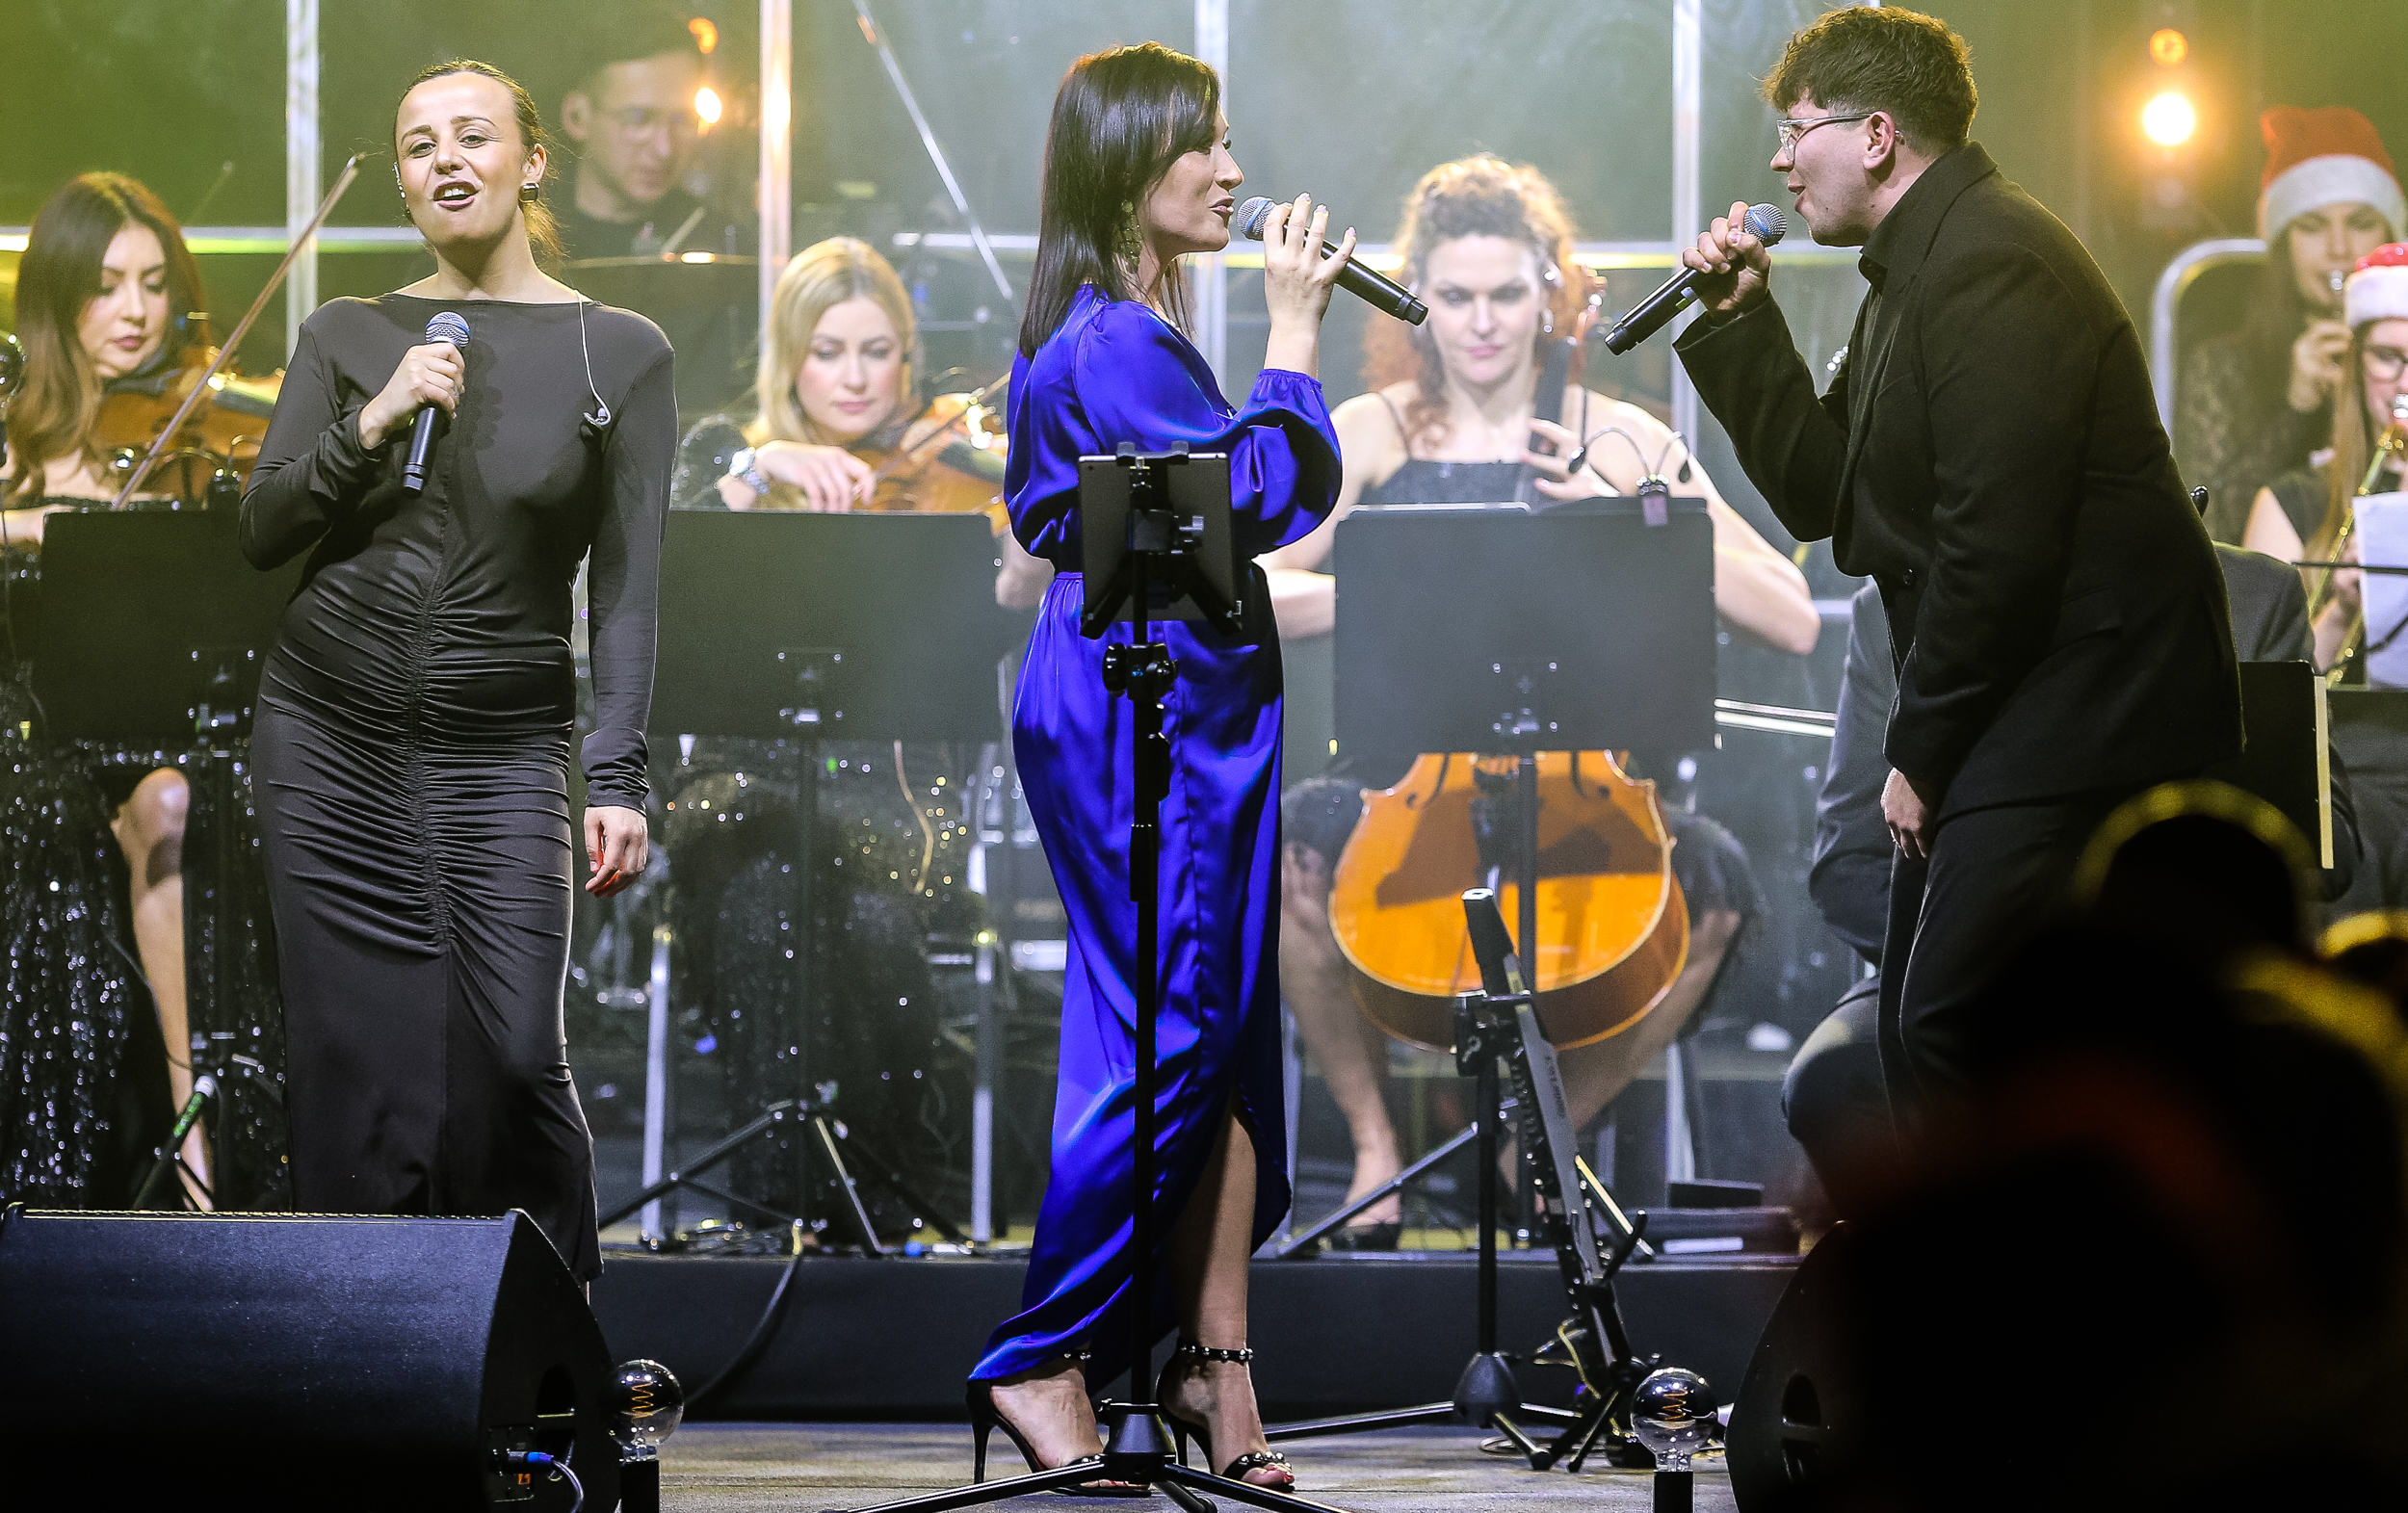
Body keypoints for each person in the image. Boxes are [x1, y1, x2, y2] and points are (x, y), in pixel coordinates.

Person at [1674, 6, 2241, 1125]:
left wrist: (1920, 754)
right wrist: (1740, 324)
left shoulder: (1991, 262)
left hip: (2086, 711)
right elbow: (1824, 494)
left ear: (1876, 135)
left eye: (1796, 131)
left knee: (1946, 1022)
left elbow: (1998, 548)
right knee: (1913, 1021)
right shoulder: (1916, 268)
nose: (1780, 164)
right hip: (2026, 703)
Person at [1253, 154, 1820, 1240]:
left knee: (1714, 888)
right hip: (1406, 785)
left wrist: (1632, 506)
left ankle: (1536, 1143)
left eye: (1506, 294)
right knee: (1290, 857)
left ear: (1548, 293)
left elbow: (1791, 614)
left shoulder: (1621, 435)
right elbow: (1255, 591)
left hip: (1581, 788)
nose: (1480, 323)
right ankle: (1375, 1144)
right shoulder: (1371, 431)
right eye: (1455, 296)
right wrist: (1382, 590)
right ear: (1419, 298)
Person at [966, 41, 1349, 1492]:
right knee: (1169, 1029)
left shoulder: (1107, 326)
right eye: (1207, 146)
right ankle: (1044, 1349)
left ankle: (1214, 1366)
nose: (1235, 174)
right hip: (1152, 718)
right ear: (1132, 163)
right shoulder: (1114, 339)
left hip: (1181, 702)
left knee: (1222, 1028)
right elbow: (1256, 491)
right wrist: (1294, 336)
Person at [241, 60, 673, 1283]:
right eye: (418, 143)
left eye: (471, 136)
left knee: (516, 1056)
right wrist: (372, 421)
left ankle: (544, 1356)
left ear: (530, 162)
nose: (444, 159)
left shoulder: (618, 351)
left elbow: (630, 585)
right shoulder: (347, 332)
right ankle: (365, 1350)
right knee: (354, 1069)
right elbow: (263, 528)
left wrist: (616, 773)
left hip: (501, 749)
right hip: (327, 735)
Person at [1793, 537, 2367, 1214]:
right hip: (1969, 966)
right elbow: (1847, 864)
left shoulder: (2257, 591)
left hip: (2182, 975)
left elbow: (2331, 842)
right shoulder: (1897, 605)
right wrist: (1990, 963)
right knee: (1831, 1081)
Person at [662, 236, 1012, 1224]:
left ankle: (866, 1197)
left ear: (908, 357)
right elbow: (655, 580)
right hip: (742, 796)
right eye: (828, 352)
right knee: (765, 887)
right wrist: (755, 464)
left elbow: (1008, 610)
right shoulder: (731, 459)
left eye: (877, 351)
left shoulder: (956, 477)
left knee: (866, 921)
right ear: (790, 360)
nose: (855, 378)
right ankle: (786, 1203)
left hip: (895, 807)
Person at [0, 171, 231, 1207]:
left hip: (163, 738)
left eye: (153, 283)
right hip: (33, 743)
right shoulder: (11, 447)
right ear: (57, 299)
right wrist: (28, 526)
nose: (136, 311)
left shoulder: (190, 444)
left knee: (186, 795)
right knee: (51, 805)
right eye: (105, 286)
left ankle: (200, 1130)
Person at [2178, 107, 2400, 543]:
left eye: (2360, 224)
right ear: (2283, 245)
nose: (2339, 248)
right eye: (2312, 227)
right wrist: (2296, 409)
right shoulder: (2220, 366)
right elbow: (2206, 528)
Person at [2241, 244, 2408, 675]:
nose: (2405, 382)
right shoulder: (2289, 503)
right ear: (2355, 365)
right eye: (2387, 357)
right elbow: (2264, 695)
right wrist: (2342, 610)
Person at [556, 12, 721, 261]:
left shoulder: (719, 240)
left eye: (682, 120)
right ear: (577, 116)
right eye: (639, 118)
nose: (665, 149)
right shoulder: (519, 236)